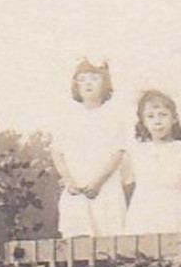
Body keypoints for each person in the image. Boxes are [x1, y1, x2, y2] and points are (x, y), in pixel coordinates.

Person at [49, 59, 128, 238]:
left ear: (105, 83)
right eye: (82, 79)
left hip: (105, 188)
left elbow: (118, 153)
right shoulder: (67, 117)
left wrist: (98, 182)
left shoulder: (113, 117)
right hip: (77, 188)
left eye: (94, 78)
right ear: (76, 85)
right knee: (78, 239)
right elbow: (57, 152)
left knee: (109, 239)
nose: (88, 83)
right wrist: (69, 180)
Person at [122, 89, 181, 236]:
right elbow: (127, 189)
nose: (157, 122)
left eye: (163, 115)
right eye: (151, 116)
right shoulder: (136, 152)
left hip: (171, 218)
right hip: (140, 219)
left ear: (174, 119)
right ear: (144, 122)